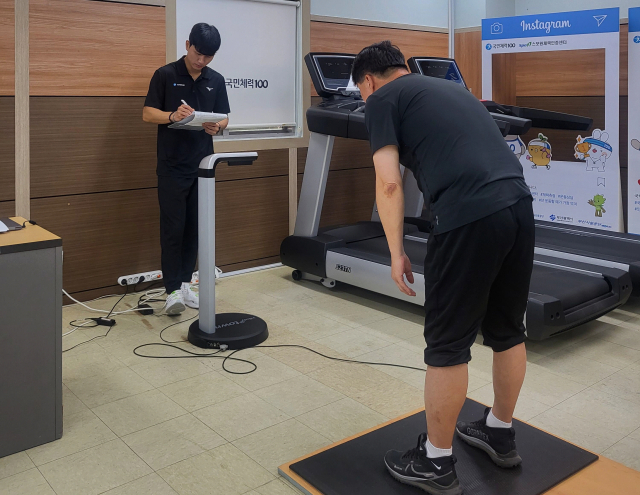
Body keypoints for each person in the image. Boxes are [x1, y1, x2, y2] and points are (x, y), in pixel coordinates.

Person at [352, 41, 534, 495]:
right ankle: (499, 431)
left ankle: (435, 462)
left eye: (361, 90)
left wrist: (396, 251)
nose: (363, 98)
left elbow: (388, 183)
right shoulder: (448, 88)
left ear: (368, 81)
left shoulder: (381, 100)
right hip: (518, 205)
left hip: (468, 215)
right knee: (508, 330)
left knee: (447, 344)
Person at [143, 23, 230, 314]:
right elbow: (147, 113)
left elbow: (224, 117)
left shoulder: (216, 80)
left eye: (208, 56)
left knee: (195, 229)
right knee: (173, 229)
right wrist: (171, 115)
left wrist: (218, 126)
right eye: (197, 53)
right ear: (187, 45)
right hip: (172, 166)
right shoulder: (165, 74)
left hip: (203, 165)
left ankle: (184, 286)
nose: (201, 60)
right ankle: (171, 291)